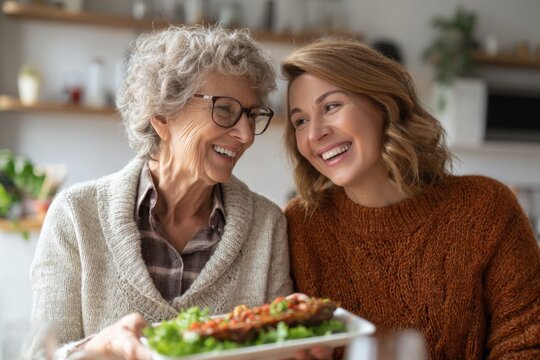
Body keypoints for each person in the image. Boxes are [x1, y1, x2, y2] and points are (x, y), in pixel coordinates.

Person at [30, 25, 293, 359]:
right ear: (162, 115)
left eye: (252, 115)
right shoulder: (75, 216)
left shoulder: (267, 226)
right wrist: (101, 346)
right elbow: (41, 354)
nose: (246, 134)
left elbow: (282, 348)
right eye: (225, 109)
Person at [281, 38, 540, 359]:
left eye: (331, 106)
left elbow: (526, 345)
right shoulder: (300, 225)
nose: (315, 133)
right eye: (300, 121)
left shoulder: (487, 208)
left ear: (383, 104)